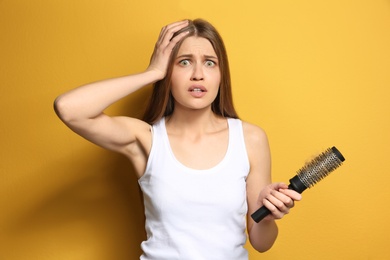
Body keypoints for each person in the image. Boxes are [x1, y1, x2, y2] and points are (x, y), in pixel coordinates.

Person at [54, 19, 302, 260]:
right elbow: (68, 108)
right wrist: (152, 72)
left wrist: (267, 218)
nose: (198, 74)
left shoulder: (250, 139)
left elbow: (261, 242)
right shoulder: (146, 139)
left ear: (220, 74)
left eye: (209, 63)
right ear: (168, 72)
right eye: (184, 62)